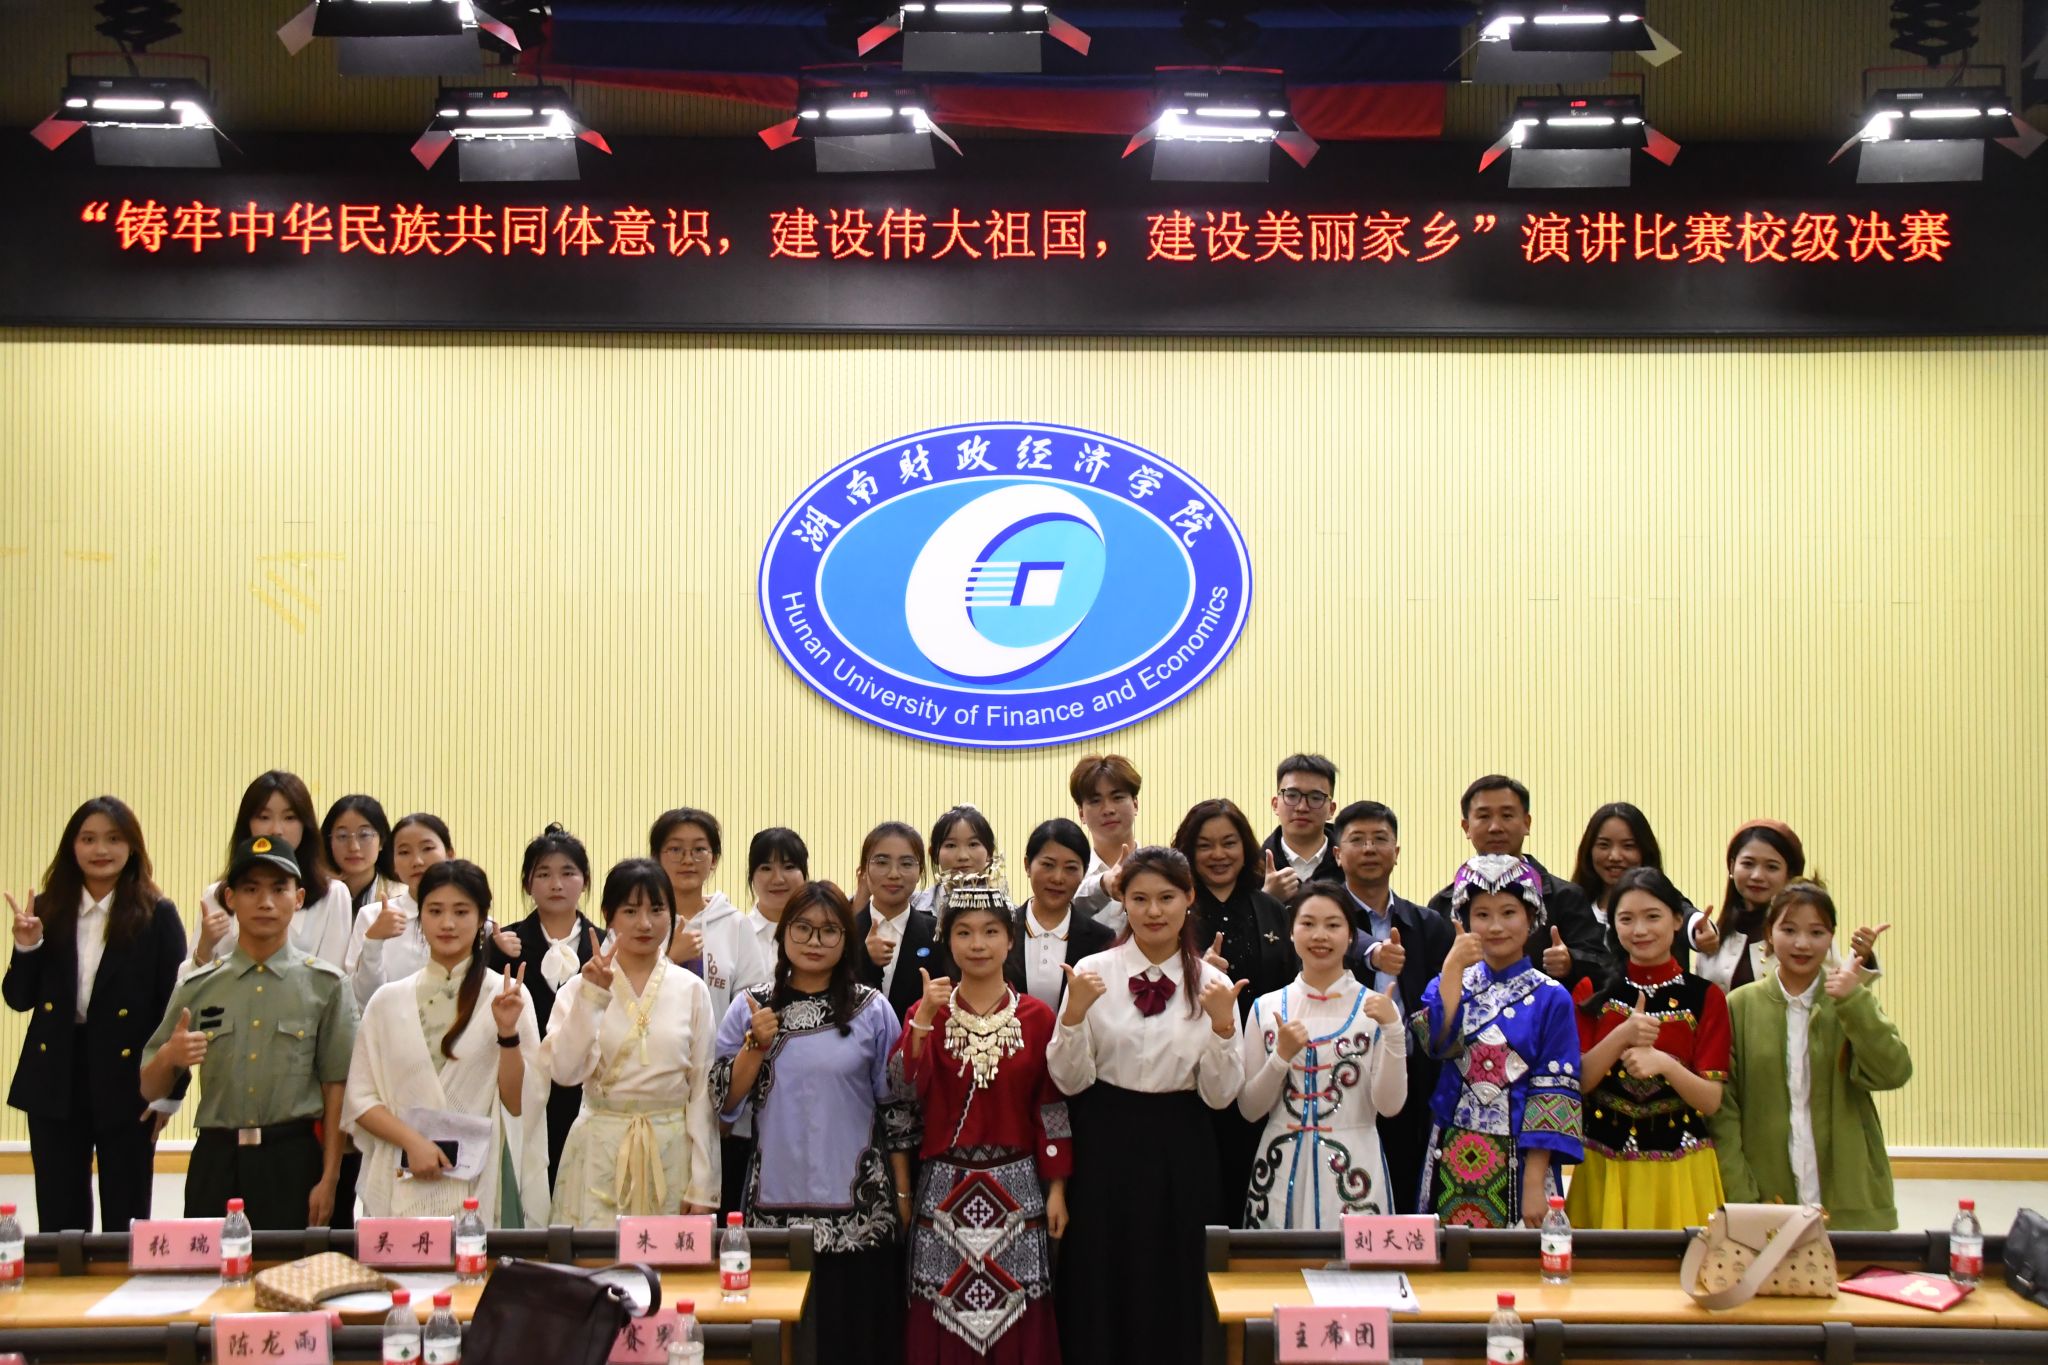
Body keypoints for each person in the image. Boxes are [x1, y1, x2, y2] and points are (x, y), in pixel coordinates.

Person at [1047, 847, 1243, 1365]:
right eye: (1139, 899)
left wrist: (1224, 1027)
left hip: (1183, 1145)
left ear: (1189, 898)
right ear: (1123, 902)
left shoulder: (1216, 985)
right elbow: (1069, 1080)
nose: (1154, 911)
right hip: (1105, 1140)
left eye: (1166, 898)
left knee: (1177, 1274)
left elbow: (1221, 1095)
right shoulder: (1091, 972)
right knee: (1102, 1273)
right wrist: (1073, 1017)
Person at [713, 882, 917, 1365]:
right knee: (781, 1343)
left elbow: (897, 1109)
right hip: (772, 1213)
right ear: (783, 933)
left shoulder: (871, 1009)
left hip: (861, 1215)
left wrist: (903, 1193)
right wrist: (754, 1045)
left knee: (856, 1340)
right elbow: (723, 1103)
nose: (814, 941)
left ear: (846, 940)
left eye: (829, 931)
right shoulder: (751, 1007)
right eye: (802, 928)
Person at [897, 868, 1069, 1364]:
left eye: (991, 931)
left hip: (1017, 1187)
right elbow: (904, 1091)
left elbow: (1051, 1108)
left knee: (1017, 1310)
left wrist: (1057, 1187)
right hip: (945, 1187)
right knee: (942, 1309)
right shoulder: (926, 1012)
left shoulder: (1037, 1017)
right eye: (964, 932)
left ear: (1010, 939)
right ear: (947, 941)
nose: (978, 944)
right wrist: (922, 1023)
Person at [141, 836, 356, 1229]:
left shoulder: (326, 985)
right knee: (209, 1268)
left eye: (279, 889)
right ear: (230, 899)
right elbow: (149, 1088)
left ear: (299, 898)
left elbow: (336, 1087)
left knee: (294, 1269)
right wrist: (170, 1056)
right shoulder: (198, 985)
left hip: (293, 1159)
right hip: (216, 1158)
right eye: (251, 889)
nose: (265, 902)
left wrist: (330, 1178)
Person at [6, 797, 186, 1231]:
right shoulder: (48, 909)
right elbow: (17, 998)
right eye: (88, 839)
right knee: (59, 1215)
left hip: (129, 1078)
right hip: (55, 1074)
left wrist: (169, 1092)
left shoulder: (157, 914)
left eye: (113, 838)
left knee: (127, 1213)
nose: (100, 849)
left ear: (132, 847)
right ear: (72, 846)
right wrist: (26, 947)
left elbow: (176, 1011)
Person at [344, 860, 548, 1224]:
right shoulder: (387, 1001)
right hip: (399, 1176)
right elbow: (360, 1099)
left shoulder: (506, 995)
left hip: (480, 1183)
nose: (447, 923)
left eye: (461, 911)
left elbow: (519, 1103)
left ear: (482, 918)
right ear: (419, 916)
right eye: (435, 911)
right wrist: (412, 1142)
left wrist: (507, 1034)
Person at [1713, 880, 1910, 1230]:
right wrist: (1741, 1193)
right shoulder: (1740, 1006)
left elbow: (1892, 1072)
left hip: (1848, 1197)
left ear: (1831, 936)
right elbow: (1724, 1110)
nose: (1802, 943)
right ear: (1769, 934)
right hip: (1765, 1197)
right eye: (1789, 930)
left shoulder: (1848, 1001)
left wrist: (1854, 1001)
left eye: (1816, 932)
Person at [1418, 855, 1583, 1228]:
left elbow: (1553, 1091)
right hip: (1450, 1149)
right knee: (1448, 1256)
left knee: (1520, 1257)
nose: (1495, 926)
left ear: (1531, 917)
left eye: (1508, 913)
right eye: (1482, 914)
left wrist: (1534, 1182)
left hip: (1522, 1159)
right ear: (1465, 920)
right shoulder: (1449, 980)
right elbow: (1436, 1045)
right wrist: (1452, 968)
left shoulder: (1552, 996)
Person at [1566, 867, 1728, 1230]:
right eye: (1626, 919)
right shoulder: (1591, 991)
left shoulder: (1706, 996)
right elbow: (1580, 1082)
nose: (1639, 930)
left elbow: (1711, 1101)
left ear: (1676, 920)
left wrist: (1664, 1064)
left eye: (1652, 917)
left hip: (1682, 1168)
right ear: (1613, 925)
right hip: (1604, 1163)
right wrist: (1622, 1035)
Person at [1238, 883, 1406, 1228]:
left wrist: (1393, 1032)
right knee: (1276, 1261)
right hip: (1278, 1167)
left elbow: (1390, 1107)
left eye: (1333, 925)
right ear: (1291, 932)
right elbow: (1250, 1109)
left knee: (1355, 1261)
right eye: (1308, 923)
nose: (1320, 935)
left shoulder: (1376, 1009)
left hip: (1356, 1168)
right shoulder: (1266, 1007)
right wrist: (1280, 1057)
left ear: (1351, 936)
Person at [1330, 799, 1453, 1216]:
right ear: (1338, 854)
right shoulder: (1322, 921)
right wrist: (1372, 953)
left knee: (1406, 1189)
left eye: (1380, 839)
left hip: (1413, 1080)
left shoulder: (1428, 924)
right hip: (1341, 1079)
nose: (1369, 848)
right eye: (1357, 840)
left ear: (1397, 852)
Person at [1173, 797, 1290, 1226]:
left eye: (1229, 843)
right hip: (1193, 1075)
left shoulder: (1270, 909)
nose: (1218, 855)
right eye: (1204, 845)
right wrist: (1199, 971)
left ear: (1246, 847)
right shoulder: (1176, 909)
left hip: (1262, 1071)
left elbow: (1289, 985)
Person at [483, 824, 596, 1186]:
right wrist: (490, 954)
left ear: (584, 880)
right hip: (523, 1093)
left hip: (587, 1099)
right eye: (544, 874)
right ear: (527, 883)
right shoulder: (503, 944)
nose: (556, 884)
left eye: (568, 873)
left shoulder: (605, 947)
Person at [1426, 776, 1608, 995]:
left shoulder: (1565, 897)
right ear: (1466, 827)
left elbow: (1604, 968)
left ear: (1527, 823)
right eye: (1483, 816)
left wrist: (1572, 962)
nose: (1495, 827)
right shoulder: (1444, 904)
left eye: (1507, 815)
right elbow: (1428, 979)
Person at [191, 771, 354, 972]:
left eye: (289, 817)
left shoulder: (333, 894)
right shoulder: (217, 895)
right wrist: (205, 946)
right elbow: (188, 984)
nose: (276, 829)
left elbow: (333, 979)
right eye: (264, 817)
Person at [1697, 821, 1883, 992]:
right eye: (1748, 864)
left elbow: (1838, 995)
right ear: (1732, 867)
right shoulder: (1712, 935)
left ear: (1790, 873)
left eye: (1772, 867)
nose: (1757, 876)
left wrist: (1862, 957)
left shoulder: (1807, 931)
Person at [651, 808, 770, 1025]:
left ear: (713, 859)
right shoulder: (637, 921)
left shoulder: (735, 924)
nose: (688, 860)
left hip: (719, 1047)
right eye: (675, 849)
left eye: (699, 849)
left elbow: (751, 1003)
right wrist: (669, 958)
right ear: (656, 857)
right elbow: (617, 992)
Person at [1567, 802, 1713, 961]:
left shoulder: (1663, 899)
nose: (1615, 856)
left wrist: (1698, 929)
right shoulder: (1571, 904)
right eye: (1604, 845)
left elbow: (1685, 914)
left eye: (1628, 846)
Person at [1005, 819, 1114, 1013]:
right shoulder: (1002, 930)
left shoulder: (1101, 940)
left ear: (1084, 872)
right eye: (1048, 865)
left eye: (1071, 868)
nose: (1058, 878)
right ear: (1027, 865)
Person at [345, 813, 453, 1008]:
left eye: (427, 848)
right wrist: (373, 941)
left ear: (450, 854)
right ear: (393, 863)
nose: (417, 861)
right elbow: (362, 1001)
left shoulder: (472, 918)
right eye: (404, 852)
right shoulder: (372, 916)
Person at [852, 822, 940, 1021]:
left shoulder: (937, 934)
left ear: (920, 871)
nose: (894, 874)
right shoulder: (842, 932)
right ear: (864, 869)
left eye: (906, 864)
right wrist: (864, 958)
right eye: (882, 862)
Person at [1066, 753, 1140, 935]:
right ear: (1081, 814)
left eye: (1117, 797)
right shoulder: (1071, 875)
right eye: (1095, 801)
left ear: (1135, 804)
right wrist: (1102, 885)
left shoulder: (1161, 866)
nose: (1108, 809)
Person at [1259, 754, 1342, 899]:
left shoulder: (1350, 864)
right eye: (1292, 796)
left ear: (1331, 809)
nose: (1302, 807)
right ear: (1275, 804)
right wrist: (1266, 898)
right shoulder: (1254, 867)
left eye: (1315, 798)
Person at [322, 795, 402, 913]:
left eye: (364, 835)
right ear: (329, 842)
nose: (354, 847)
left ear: (382, 841)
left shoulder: (400, 897)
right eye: (342, 836)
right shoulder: (315, 896)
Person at [911, 805, 996, 913]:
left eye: (973, 844)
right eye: (951, 845)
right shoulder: (913, 908)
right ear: (934, 854)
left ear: (990, 852)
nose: (963, 856)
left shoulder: (1008, 913)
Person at [742, 828, 809, 951]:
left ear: (804, 874)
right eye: (766, 868)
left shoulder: (823, 934)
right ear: (752, 876)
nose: (778, 879)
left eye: (789, 867)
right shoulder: (736, 935)